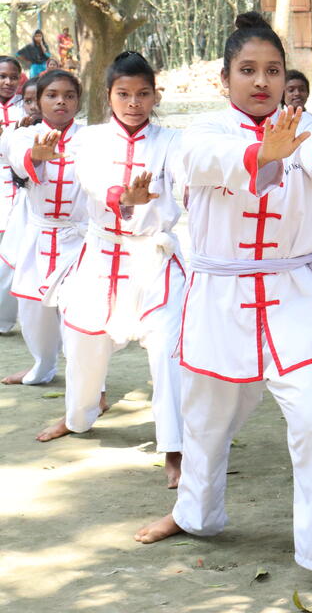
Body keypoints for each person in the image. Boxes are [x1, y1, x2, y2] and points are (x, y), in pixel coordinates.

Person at [132, 13, 312, 606]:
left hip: (293, 297)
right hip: (220, 301)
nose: (261, 81)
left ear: (286, 75)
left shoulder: (310, 128)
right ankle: (194, 514)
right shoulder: (198, 133)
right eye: (248, 70)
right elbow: (208, 166)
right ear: (224, 77)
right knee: (206, 423)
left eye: (272, 70)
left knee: (311, 421)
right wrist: (266, 151)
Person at [31, 52, 186, 489]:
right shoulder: (90, 140)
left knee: (167, 350)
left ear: (155, 95)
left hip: (154, 260)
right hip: (101, 253)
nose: (133, 102)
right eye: (123, 94)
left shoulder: (174, 141)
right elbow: (97, 184)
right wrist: (126, 197)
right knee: (82, 341)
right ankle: (79, 416)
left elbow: (188, 184)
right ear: (108, 96)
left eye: (142, 94)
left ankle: (173, 446)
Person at [0, 70, 86, 386]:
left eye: (69, 95)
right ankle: (43, 364)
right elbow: (21, 160)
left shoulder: (93, 138)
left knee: (77, 311)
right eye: (51, 95)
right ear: (37, 100)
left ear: (79, 100)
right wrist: (36, 155)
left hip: (81, 239)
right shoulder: (20, 135)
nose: (60, 101)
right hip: (37, 235)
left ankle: (88, 380)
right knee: (33, 309)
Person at [0, 56, 27, 334]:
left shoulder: (28, 106)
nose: (8, 82)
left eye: (12, 76)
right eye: (2, 76)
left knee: (10, 254)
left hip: (19, 186)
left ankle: (4, 319)